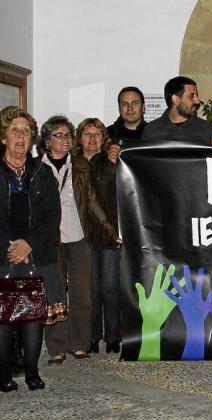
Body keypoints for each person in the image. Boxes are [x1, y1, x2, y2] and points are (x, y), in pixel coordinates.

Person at [38, 115, 117, 365]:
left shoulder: (80, 165)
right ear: (47, 140)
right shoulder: (37, 166)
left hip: (79, 236)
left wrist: (110, 229)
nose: (64, 139)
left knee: (82, 292)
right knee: (55, 293)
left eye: (68, 135)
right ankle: (56, 346)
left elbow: (92, 201)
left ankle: (80, 343)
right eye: (58, 135)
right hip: (50, 240)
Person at [0, 107, 61, 392]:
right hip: (3, 254)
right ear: (3, 137)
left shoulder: (42, 172)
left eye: (26, 131)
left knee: (32, 316)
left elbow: (52, 217)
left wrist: (29, 244)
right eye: (14, 130)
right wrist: (11, 247)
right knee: (3, 319)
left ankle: (32, 373)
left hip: (36, 254)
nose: (21, 136)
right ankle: (3, 375)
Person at [76, 119, 121, 354]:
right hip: (83, 236)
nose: (92, 138)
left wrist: (114, 164)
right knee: (90, 290)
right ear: (79, 138)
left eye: (97, 134)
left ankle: (113, 336)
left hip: (110, 235)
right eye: (87, 134)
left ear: (104, 138)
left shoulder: (112, 161)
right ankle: (91, 336)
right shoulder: (73, 164)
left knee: (111, 288)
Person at [142, 76, 212, 146]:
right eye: (192, 96)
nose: (197, 101)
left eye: (196, 96)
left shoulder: (205, 128)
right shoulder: (151, 130)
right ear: (175, 99)